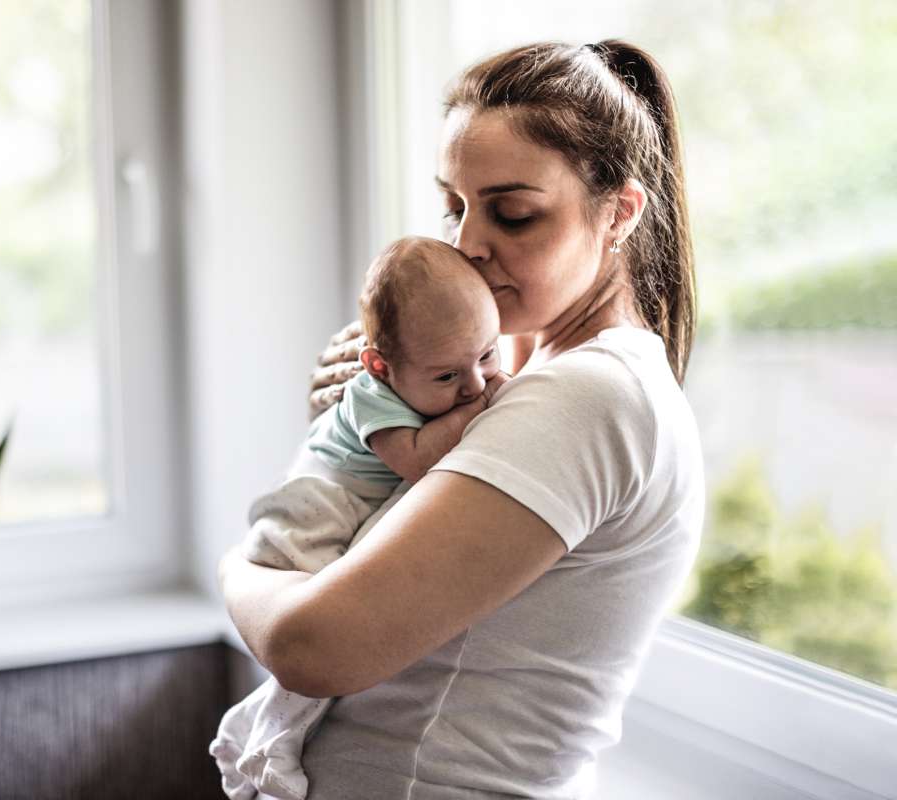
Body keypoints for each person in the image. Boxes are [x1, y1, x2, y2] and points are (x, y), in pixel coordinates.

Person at [217, 39, 705, 799]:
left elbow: (314, 648)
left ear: (619, 213)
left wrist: (242, 568)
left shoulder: (591, 395)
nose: (467, 244)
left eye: (513, 214)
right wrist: (363, 425)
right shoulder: (510, 373)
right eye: (455, 206)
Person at [210, 236, 504, 800]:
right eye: (447, 377)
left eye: (488, 354)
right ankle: (268, 742)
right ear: (378, 366)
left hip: (338, 510)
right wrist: (487, 406)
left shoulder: (438, 365)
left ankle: (253, 730)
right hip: (310, 512)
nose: (475, 383)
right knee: (319, 646)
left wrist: (467, 385)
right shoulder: (371, 394)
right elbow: (416, 459)